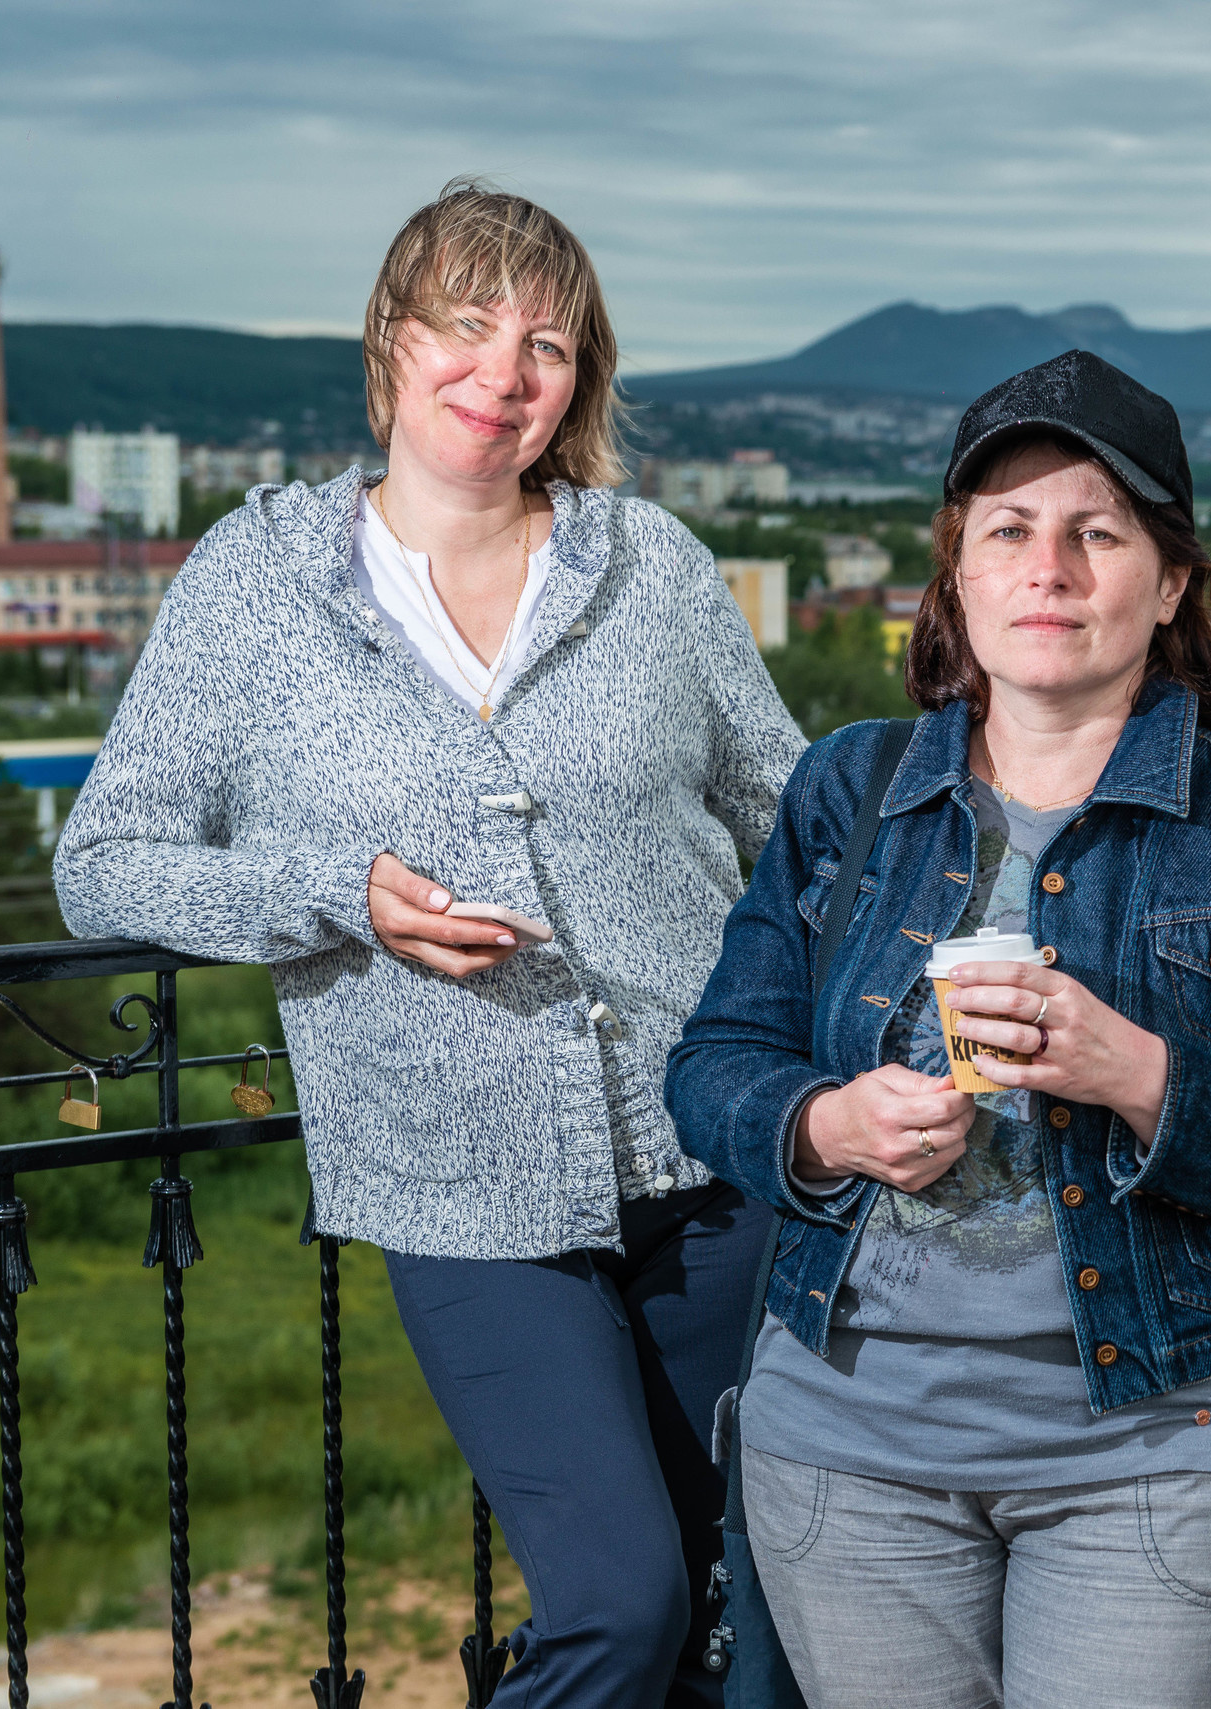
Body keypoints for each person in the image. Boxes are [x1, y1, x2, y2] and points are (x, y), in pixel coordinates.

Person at [53, 179, 807, 1709]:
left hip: (721, 1169)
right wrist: (343, 891)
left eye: (547, 342)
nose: (503, 372)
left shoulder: (651, 566)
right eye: (468, 327)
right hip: (463, 1199)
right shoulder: (255, 583)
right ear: (393, 346)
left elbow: (797, 812)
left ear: (577, 384)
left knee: (752, 1618)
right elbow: (105, 864)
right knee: (620, 1605)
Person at [664, 349, 1211, 1709]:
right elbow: (714, 1066)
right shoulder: (852, 789)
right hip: (850, 1449)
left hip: (1160, 1453)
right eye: (1007, 530)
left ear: (1169, 581)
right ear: (959, 573)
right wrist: (828, 1126)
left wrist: (1142, 1076)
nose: (1047, 567)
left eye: (1095, 532)